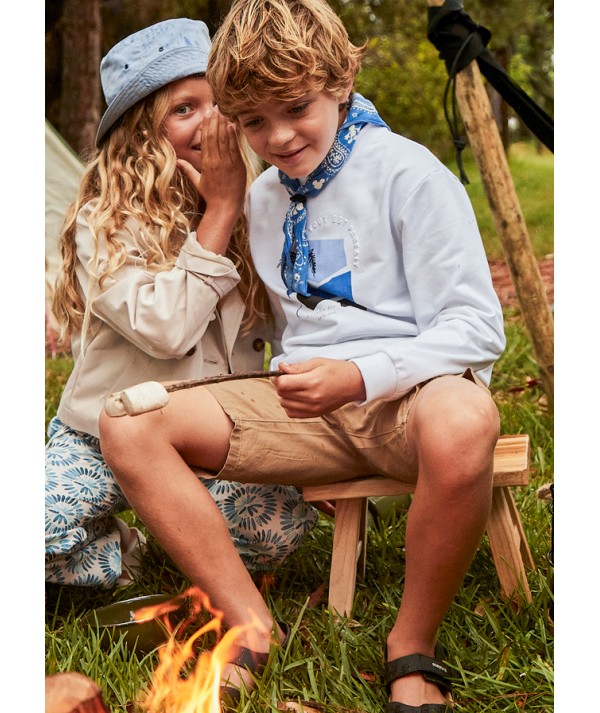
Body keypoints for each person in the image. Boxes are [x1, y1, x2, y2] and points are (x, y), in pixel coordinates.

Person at [99, 1, 506, 709]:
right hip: (306, 410)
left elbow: (477, 327)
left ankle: (412, 644)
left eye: (296, 108)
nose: (280, 136)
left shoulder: (408, 174)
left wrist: (359, 375)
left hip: (410, 403)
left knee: (467, 418)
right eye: (254, 121)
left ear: (339, 83)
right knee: (129, 423)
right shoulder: (263, 197)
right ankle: (249, 622)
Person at [45, 17, 319, 590]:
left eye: (219, 104)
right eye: (184, 109)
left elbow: (295, 328)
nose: (209, 121)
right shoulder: (105, 222)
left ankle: (179, 528)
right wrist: (219, 212)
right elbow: (167, 329)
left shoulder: (266, 209)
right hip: (102, 435)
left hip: (211, 437)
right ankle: (128, 547)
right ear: (141, 132)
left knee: (278, 531)